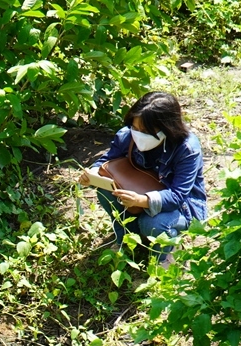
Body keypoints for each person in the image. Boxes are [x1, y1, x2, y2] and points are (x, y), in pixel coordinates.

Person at [78, 92, 207, 264]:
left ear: (167, 128)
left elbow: (178, 196)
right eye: (135, 128)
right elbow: (108, 160)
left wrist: (142, 200)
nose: (138, 134)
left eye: (145, 131)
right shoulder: (127, 135)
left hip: (181, 207)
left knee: (153, 223)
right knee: (106, 192)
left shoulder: (186, 149)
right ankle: (128, 238)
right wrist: (92, 174)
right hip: (139, 190)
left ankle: (163, 257)